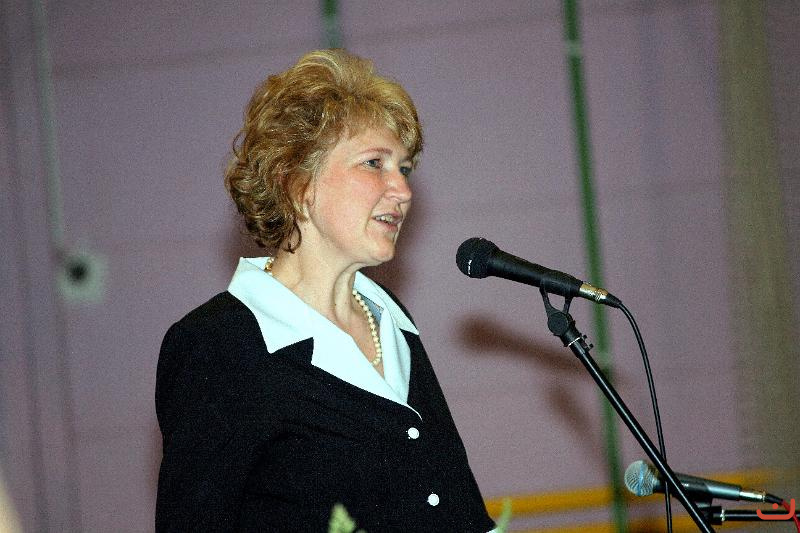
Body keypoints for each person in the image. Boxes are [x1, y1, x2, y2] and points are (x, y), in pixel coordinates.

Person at [155, 49, 495, 532]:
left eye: (404, 168)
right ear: (298, 184)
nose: (402, 190)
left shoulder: (389, 318)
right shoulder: (218, 344)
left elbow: (454, 507)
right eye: (374, 163)